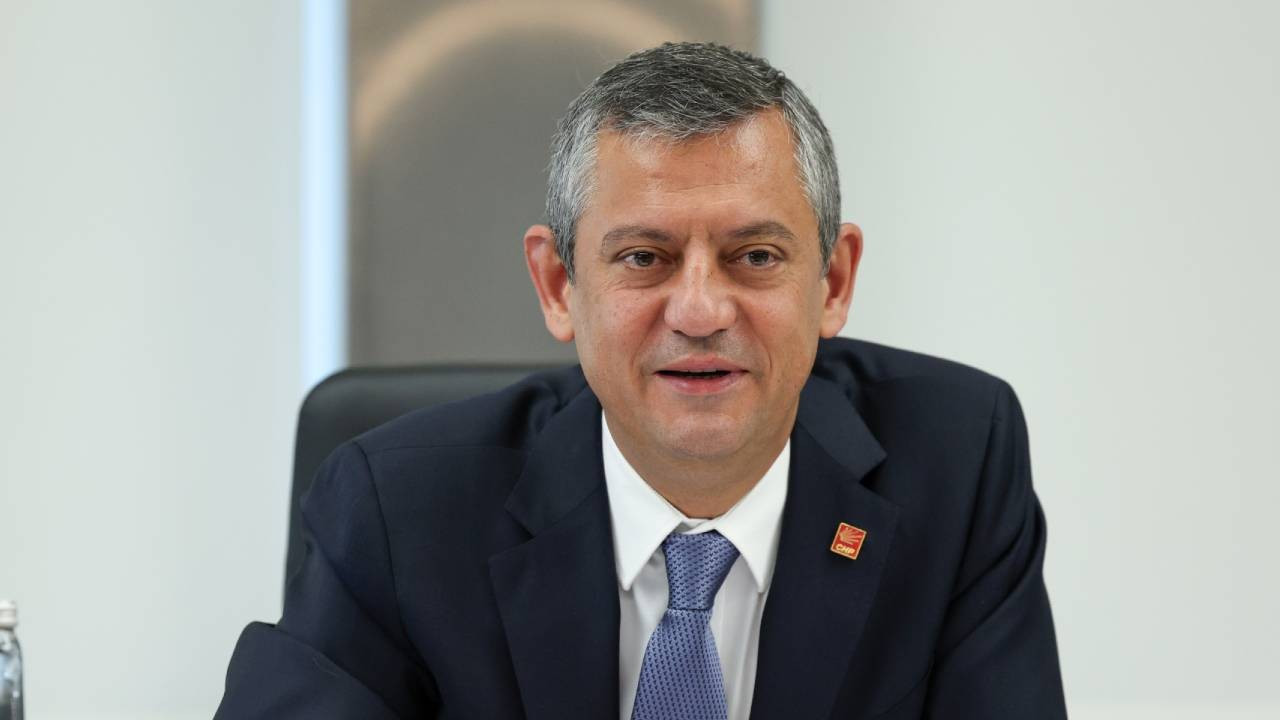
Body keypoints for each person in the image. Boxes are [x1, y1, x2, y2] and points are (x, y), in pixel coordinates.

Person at [216, 42, 1067, 719]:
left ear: (834, 282)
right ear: (559, 286)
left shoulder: (957, 462)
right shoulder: (398, 507)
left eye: (755, 256)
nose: (699, 311)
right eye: (643, 258)